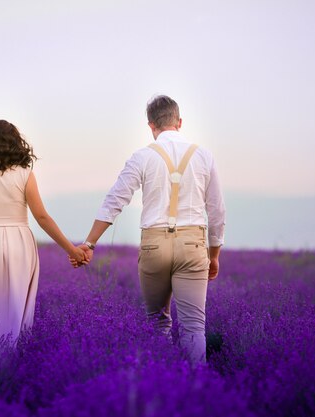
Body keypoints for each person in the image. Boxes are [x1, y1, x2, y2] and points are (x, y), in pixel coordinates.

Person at [71, 95, 225, 366]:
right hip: (193, 244)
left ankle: (160, 381)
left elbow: (115, 200)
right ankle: (197, 390)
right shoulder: (204, 156)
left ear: (151, 125)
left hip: (154, 245)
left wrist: (90, 243)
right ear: (179, 121)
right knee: (193, 327)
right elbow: (217, 211)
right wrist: (214, 254)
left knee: (157, 323)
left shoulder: (142, 156)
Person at [0, 120, 89, 343]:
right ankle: (17, 357)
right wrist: (72, 250)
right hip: (21, 242)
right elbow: (42, 217)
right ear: (16, 143)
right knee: (20, 307)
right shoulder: (25, 173)